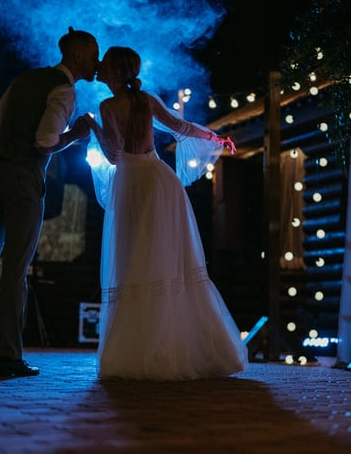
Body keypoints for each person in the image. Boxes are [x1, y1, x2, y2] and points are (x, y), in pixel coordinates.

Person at [84, 46, 248, 380]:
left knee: (133, 262)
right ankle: (186, 348)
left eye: (105, 66)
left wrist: (91, 125)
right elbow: (182, 127)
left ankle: (142, 351)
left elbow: (114, 155)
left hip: (131, 182)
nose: (98, 68)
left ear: (115, 72)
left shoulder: (106, 107)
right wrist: (215, 138)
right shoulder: (147, 101)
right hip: (160, 181)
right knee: (169, 261)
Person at [0, 28, 99, 377]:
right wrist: (76, 135)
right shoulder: (64, 90)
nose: (97, 62)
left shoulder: (23, 79)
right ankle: (9, 356)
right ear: (76, 57)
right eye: (93, 55)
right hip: (23, 180)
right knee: (16, 269)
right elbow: (45, 142)